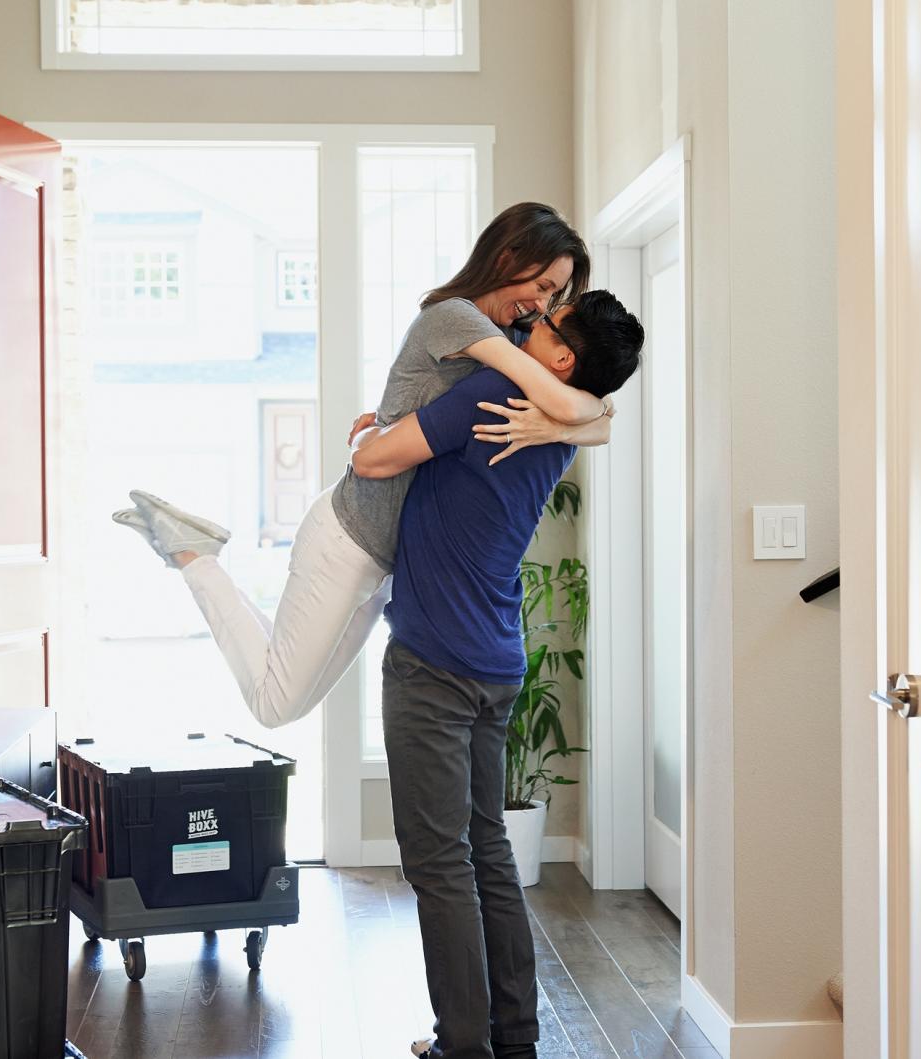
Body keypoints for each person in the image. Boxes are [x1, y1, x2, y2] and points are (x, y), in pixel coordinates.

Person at [114, 203, 617, 728]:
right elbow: (573, 399)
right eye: (543, 286)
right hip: (348, 537)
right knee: (273, 705)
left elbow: (603, 416)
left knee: (288, 695)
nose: (541, 304)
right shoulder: (455, 318)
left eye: (553, 295)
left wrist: (561, 426)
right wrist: (567, 416)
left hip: (382, 563)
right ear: (509, 256)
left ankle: (194, 548)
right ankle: (194, 554)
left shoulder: (513, 335)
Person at [350, 291, 644, 1059]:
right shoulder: (570, 423)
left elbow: (375, 459)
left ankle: (464, 1046)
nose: (526, 324)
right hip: (494, 659)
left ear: (560, 358)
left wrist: (370, 436)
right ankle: (514, 1037)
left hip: (433, 661)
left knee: (440, 861)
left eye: (544, 323)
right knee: (485, 850)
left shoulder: (496, 392)